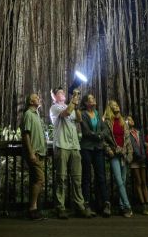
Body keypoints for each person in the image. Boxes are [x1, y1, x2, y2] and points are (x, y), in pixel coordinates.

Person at [49, 86, 94, 219]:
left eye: (63, 92)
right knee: (61, 178)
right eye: (59, 92)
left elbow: (79, 119)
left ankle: (79, 206)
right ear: (54, 97)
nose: (62, 93)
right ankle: (60, 207)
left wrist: (76, 102)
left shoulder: (71, 105)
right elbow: (66, 113)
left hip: (74, 146)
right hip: (61, 145)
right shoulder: (55, 107)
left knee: (77, 178)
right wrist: (73, 101)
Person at [78, 92, 111, 216]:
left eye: (94, 98)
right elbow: (86, 131)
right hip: (87, 148)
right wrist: (98, 136)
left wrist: (99, 135)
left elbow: (105, 129)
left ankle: (105, 204)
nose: (94, 100)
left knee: (101, 176)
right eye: (91, 99)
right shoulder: (83, 114)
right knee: (86, 177)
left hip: (98, 148)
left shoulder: (97, 113)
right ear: (86, 103)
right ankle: (86, 204)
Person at [102, 100, 133, 216]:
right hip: (114, 154)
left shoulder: (123, 122)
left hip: (123, 154)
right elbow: (104, 140)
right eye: (114, 105)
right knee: (119, 181)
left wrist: (129, 153)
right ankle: (128, 206)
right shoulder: (107, 122)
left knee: (123, 181)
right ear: (110, 108)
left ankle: (121, 206)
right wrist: (109, 150)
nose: (117, 107)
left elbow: (128, 139)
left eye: (117, 105)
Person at [20, 92, 48, 220]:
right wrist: (31, 153)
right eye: (36, 97)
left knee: (35, 180)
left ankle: (34, 210)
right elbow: (25, 135)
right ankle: (32, 208)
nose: (39, 98)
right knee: (40, 179)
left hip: (40, 153)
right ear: (31, 102)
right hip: (34, 153)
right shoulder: (28, 114)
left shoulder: (37, 115)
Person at [126, 115, 148, 214]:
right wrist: (137, 155)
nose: (131, 121)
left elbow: (142, 144)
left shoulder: (138, 132)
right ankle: (143, 205)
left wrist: (144, 155)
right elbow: (130, 146)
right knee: (138, 182)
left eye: (131, 119)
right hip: (134, 160)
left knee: (144, 181)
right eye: (128, 119)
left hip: (142, 158)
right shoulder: (127, 133)